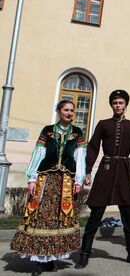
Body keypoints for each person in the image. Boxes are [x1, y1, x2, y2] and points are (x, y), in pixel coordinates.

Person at [10, 100, 86, 276]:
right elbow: (38, 152)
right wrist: (31, 179)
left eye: (72, 111)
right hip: (45, 180)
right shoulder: (47, 130)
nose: (69, 113)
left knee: (60, 219)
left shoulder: (78, 132)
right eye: (66, 110)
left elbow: (80, 156)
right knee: (40, 217)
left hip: (65, 181)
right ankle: (38, 261)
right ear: (59, 111)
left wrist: (79, 180)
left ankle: (51, 259)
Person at [75, 90, 130, 269]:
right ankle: (84, 253)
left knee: (129, 214)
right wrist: (87, 172)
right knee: (96, 214)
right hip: (105, 170)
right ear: (112, 105)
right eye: (115, 103)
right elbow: (93, 147)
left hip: (123, 170)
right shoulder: (103, 124)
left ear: (126, 105)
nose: (118, 105)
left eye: (121, 102)